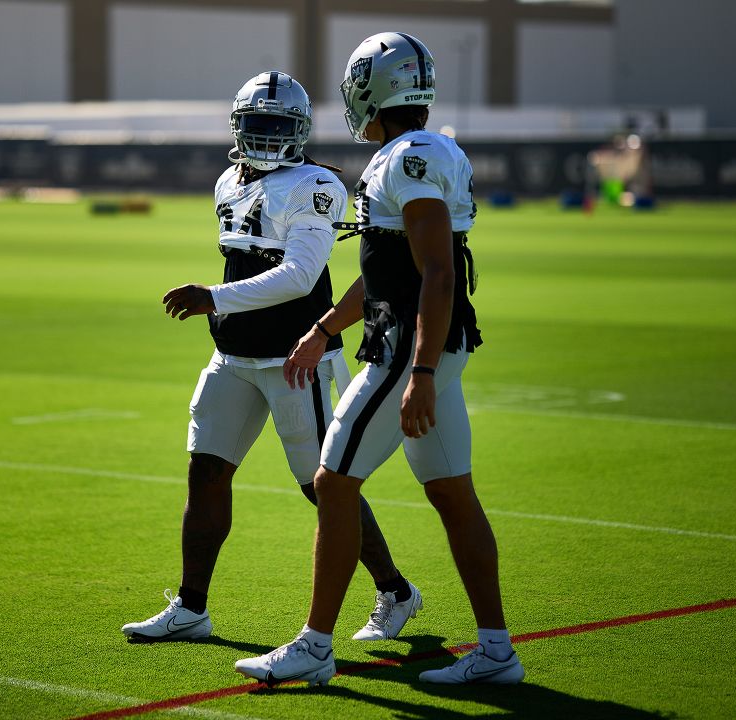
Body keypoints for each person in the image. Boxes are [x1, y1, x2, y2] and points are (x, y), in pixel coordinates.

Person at [234, 33, 524, 686]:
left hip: (408, 349)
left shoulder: (408, 157)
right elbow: (387, 269)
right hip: (427, 345)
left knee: (333, 482)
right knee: (453, 494)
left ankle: (314, 644)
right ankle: (498, 650)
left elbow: (437, 276)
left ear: (373, 87)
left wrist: (418, 374)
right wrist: (325, 325)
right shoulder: (422, 150)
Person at [121, 71, 421, 645]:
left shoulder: (314, 185)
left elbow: (300, 275)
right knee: (206, 470)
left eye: (276, 126)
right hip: (233, 355)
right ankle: (191, 607)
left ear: (300, 131)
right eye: (255, 124)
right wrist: (221, 309)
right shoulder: (228, 181)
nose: (263, 136)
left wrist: (213, 297)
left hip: (293, 356)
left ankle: (396, 591)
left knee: (322, 484)